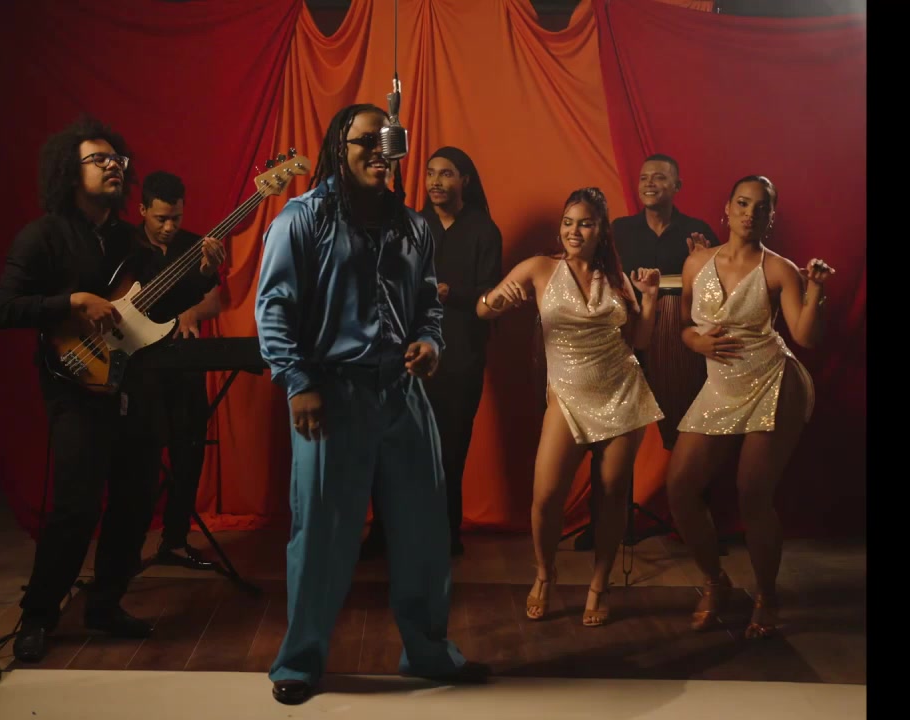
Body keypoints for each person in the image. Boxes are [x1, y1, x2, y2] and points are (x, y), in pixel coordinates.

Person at [254, 103, 489, 705]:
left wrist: (430, 343)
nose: (379, 152)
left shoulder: (412, 225)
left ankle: (429, 652)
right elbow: (274, 306)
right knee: (322, 534)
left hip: (403, 393)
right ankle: (300, 662)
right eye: (365, 141)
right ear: (339, 146)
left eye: (387, 141)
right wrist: (297, 382)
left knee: (425, 531)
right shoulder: (301, 219)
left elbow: (428, 305)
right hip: (331, 392)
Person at [0, 115, 223, 663]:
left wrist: (202, 274)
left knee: (136, 499)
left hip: (134, 382)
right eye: (98, 160)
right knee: (75, 506)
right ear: (69, 172)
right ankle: (39, 615)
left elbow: (158, 307)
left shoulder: (129, 238)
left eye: (116, 159)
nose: (113, 166)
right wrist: (71, 302)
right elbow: (6, 307)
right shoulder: (44, 235)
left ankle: (105, 604)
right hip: (74, 384)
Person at [477, 187, 665, 627]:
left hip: (622, 392)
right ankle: (545, 574)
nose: (573, 231)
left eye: (584, 223)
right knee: (545, 498)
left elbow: (639, 341)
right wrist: (495, 302)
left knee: (613, 494)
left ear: (601, 231)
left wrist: (651, 299)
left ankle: (599, 584)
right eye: (568, 222)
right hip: (566, 395)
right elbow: (483, 310)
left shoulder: (616, 279)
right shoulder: (540, 268)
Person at [664, 175, 834, 640]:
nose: (750, 213)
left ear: (771, 218)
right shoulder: (696, 262)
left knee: (752, 494)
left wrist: (816, 291)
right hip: (721, 387)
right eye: (742, 203)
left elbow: (805, 336)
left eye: (761, 208)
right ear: (727, 208)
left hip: (772, 382)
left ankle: (767, 596)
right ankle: (714, 582)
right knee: (680, 488)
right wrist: (696, 342)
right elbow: (684, 325)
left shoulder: (780, 269)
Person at [361, 146, 502, 559]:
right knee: (393, 447)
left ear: (465, 181)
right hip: (406, 355)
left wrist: (450, 294)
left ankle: (445, 534)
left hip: (461, 357)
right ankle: (384, 534)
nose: (436, 182)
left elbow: (492, 294)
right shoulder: (409, 225)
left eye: (446, 174)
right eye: (430, 173)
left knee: (449, 451)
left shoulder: (483, 230)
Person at [574, 153, 718, 551]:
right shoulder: (619, 230)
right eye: (644, 178)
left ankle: (694, 526)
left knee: (690, 426)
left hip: (678, 337)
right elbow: (596, 274)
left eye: (660, 177)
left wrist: (704, 260)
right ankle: (604, 524)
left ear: (677, 186)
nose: (649, 183)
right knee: (610, 428)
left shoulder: (698, 231)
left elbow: (717, 292)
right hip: (626, 332)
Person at [133, 170, 226, 571]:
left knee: (189, 452)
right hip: (139, 367)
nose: (170, 227)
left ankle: (174, 540)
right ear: (142, 211)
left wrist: (191, 310)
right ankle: (128, 547)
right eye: (161, 219)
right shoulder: (126, 246)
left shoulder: (195, 246)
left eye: (176, 217)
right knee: (140, 456)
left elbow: (216, 300)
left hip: (184, 364)